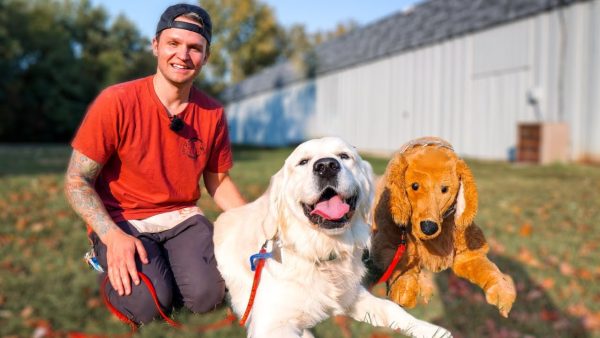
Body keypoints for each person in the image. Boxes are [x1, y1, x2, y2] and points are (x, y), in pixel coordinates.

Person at [64, 3, 245, 325]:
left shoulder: (212, 113)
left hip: (182, 217)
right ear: (156, 45)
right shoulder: (116, 101)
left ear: (207, 55)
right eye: (173, 44)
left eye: (195, 48)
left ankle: (174, 267)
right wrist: (111, 236)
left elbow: (218, 181)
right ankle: (105, 259)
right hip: (124, 220)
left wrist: (253, 225)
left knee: (208, 297)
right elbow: (77, 181)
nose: (183, 55)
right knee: (148, 307)